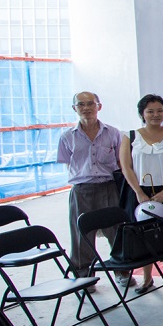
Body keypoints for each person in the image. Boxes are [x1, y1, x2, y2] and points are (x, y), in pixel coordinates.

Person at [57, 92, 132, 291]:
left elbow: (120, 162)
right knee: (81, 233)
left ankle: (122, 271)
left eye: (91, 103)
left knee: (116, 231)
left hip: (108, 187)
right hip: (82, 189)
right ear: (74, 108)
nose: (86, 108)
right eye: (81, 104)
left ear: (99, 106)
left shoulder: (113, 133)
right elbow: (68, 165)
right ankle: (84, 275)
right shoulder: (67, 136)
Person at [119, 94, 163, 293]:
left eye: (160, 110)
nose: (155, 115)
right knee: (143, 234)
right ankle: (147, 278)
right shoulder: (130, 136)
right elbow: (126, 167)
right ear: (142, 114)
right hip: (139, 191)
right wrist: (139, 193)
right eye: (150, 111)